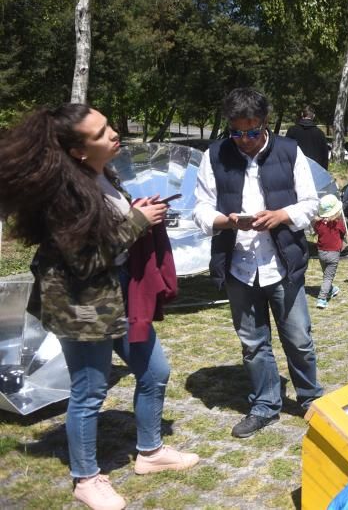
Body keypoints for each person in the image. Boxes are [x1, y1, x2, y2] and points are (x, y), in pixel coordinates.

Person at [0, 104, 199, 510]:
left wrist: (137, 211)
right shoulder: (64, 195)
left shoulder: (99, 172)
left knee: (154, 370)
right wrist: (137, 222)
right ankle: (86, 478)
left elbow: (110, 226)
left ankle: (150, 452)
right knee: (89, 391)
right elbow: (84, 261)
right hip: (82, 303)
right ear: (77, 151)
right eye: (101, 133)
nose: (113, 134)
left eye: (109, 125)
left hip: (120, 292)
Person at [193, 87, 323, 438]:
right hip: (239, 266)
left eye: (252, 131)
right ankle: (265, 404)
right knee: (253, 343)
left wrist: (282, 214)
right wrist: (228, 222)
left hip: (283, 263)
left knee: (298, 337)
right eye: (237, 132)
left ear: (265, 123)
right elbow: (201, 210)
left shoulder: (288, 151)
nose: (245, 140)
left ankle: (310, 397)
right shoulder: (215, 155)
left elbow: (312, 203)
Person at [313, 194, 347, 308]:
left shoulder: (318, 223)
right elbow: (343, 233)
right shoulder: (338, 223)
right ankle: (322, 298)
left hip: (321, 252)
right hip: (333, 253)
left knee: (326, 274)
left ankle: (331, 289)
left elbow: (316, 231)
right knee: (328, 277)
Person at [284, 105, 329, 170]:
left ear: (302, 114)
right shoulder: (320, 134)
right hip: (314, 172)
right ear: (313, 116)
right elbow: (324, 157)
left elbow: (285, 152)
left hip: (295, 170)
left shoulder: (292, 131)